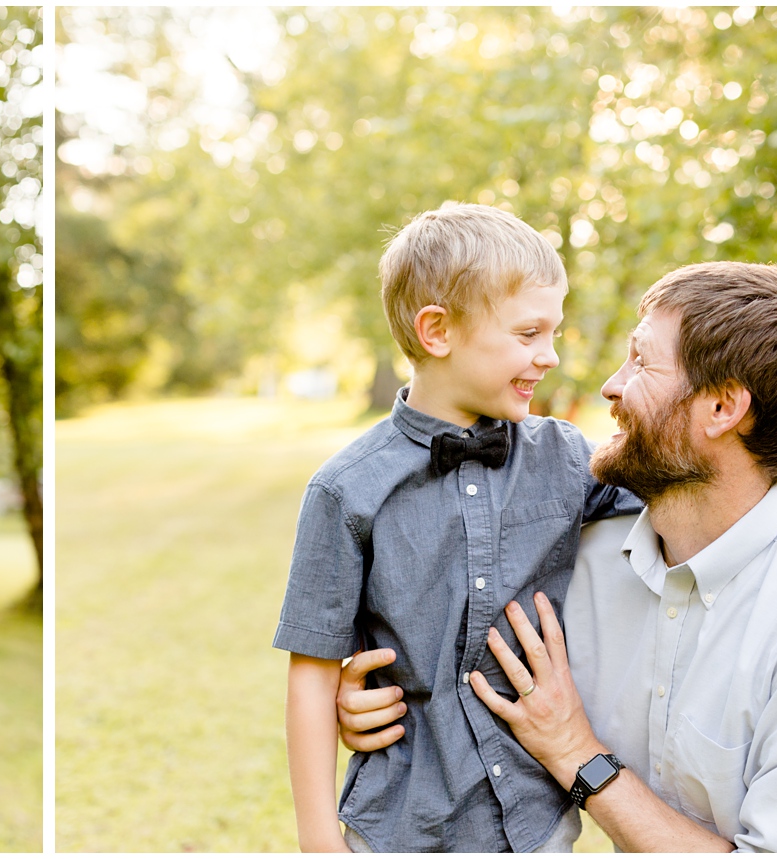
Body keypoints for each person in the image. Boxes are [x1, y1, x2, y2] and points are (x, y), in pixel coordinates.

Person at [339, 262, 777, 851]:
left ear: (722, 408)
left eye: (642, 362)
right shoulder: (576, 555)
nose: (610, 386)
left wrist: (576, 753)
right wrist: (386, 697)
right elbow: (459, 632)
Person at [274, 203, 643, 852]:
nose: (550, 356)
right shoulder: (346, 489)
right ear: (438, 331)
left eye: (553, 333)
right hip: (401, 824)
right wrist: (318, 842)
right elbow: (312, 672)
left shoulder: (564, 457)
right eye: (528, 333)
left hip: (536, 825)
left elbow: (673, 498)